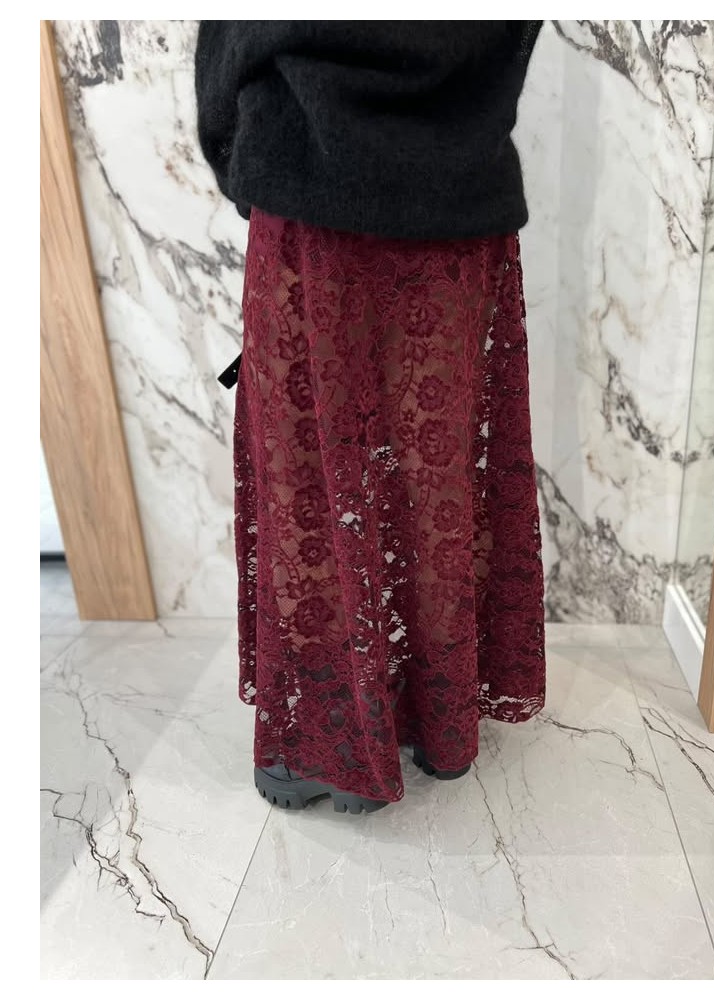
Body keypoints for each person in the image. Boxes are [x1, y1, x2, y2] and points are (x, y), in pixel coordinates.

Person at [195, 21, 546, 814]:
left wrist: (252, 165)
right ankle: (438, 723)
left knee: (308, 477)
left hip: (306, 191)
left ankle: (329, 739)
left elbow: (229, 54)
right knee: (437, 474)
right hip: (458, 204)